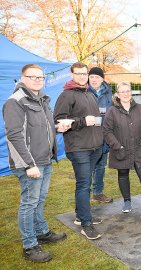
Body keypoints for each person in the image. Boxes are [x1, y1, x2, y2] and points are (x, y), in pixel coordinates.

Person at [3, 64, 68, 262]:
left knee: (39, 199)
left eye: (41, 77)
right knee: (29, 203)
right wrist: (29, 165)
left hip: (44, 159)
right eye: (33, 77)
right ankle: (29, 245)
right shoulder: (16, 102)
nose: (38, 80)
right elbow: (14, 136)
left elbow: (42, 128)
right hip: (30, 163)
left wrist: (58, 127)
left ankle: (41, 232)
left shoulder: (41, 100)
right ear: (23, 78)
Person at [54, 62, 104, 240]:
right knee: (83, 185)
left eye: (85, 73)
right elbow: (59, 122)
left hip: (94, 147)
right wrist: (82, 121)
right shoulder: (66, 95)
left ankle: (80, 214)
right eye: (79, 73)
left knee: (85, 183)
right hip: (79, 148)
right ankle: (86, 223)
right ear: (72, 74)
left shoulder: (89, 93)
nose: (83, 76)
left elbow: (95, 120)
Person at [103, 82, 141, 214]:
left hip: (139, 148)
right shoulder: (112, 111)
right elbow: (107, 131)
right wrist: (117, 145)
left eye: (128, 91)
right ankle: (127, 201)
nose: (126, 94)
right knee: (123, 175)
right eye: (122, 92)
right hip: (121, 149)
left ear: (131, 92)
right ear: (118, 94)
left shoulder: (139, 108)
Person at [88, 67, 113, 203]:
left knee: (101, 165)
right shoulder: (84, 91)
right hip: (88, 135)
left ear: (102, 79)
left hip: (104, 135)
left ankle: (98, 193)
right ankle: (85, 194)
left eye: (97, 77)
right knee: (88, 166)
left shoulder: (108, 92)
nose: (94, 80)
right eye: (91, 77)